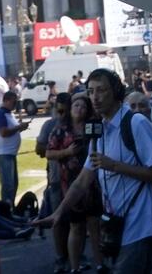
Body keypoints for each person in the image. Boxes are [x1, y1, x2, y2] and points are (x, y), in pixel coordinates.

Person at [84, 65, 152, 274]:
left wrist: (113, 165)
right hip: (116, 223)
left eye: (100, 90)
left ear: (115, 92)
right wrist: (59, 213)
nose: (94, 97)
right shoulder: (99, 131)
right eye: (90, 91)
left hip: (141, 223)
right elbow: (83, 179)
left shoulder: (137, 123)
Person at [45, 94, 96, 273]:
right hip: (71, 181)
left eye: (83, 106)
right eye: (76, 105)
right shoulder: (61, 129)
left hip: (93, 182)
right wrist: (66, 152)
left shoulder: (93, 127)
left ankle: (99, 264)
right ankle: (74, 267)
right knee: (76, 225)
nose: (79, 109)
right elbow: (49, 153)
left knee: (94, 224)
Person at [0, 90, 27, 204]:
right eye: (13, 102)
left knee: (13, 184)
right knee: (8, 185)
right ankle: (7, 210)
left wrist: (21, 127)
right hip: (3, 153)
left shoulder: (9, 114)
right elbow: (4, 132)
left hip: (10, 153)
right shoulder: (0, 113)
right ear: (6, 100)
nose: (15, 105)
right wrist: (18, 127)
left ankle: (10, 207)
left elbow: (11, 131)